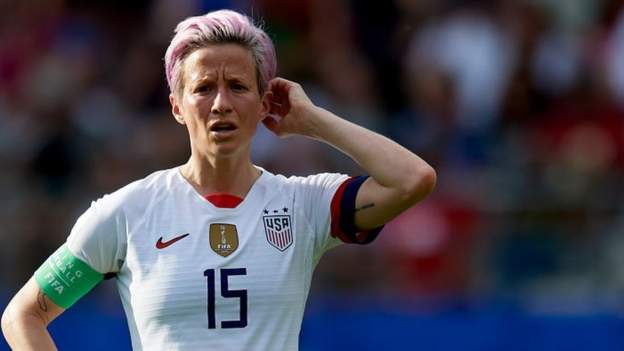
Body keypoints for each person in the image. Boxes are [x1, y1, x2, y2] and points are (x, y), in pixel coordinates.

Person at [1, 9, 436, 351]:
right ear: (176, 106)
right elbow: (23, 316)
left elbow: (412, 179)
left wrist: (313, 121)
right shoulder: (128, 212)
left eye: (238, 87)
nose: (221, 103)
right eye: (204, 87)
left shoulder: (304, 205)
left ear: (265, 102)